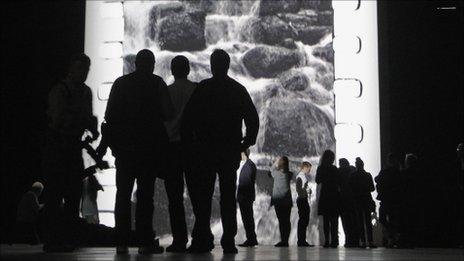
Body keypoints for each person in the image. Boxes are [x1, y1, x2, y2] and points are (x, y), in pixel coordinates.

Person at [181, 49, 259, 254]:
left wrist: (190, 145)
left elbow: (188, 119)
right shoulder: (237, 89)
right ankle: (228, 240)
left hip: (205, 151)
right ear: (228, 65)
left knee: (203, 196)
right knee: (227, 197)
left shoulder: (203, 88)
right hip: (229, 150)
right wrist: (246, 141)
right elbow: (252, 118)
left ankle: (203, 238)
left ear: (211, 65)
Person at [105, 49, 173, 255]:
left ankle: (121, 242)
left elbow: (109, 115)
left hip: (125, 151)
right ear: (152, 64)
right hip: (149, 151)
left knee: (122, 195)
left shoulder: (120, 83)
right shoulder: (157, 83)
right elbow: (169, 113)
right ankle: (144, 242)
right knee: (145, 197)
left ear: (135, 64)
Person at [42, 53, 99, 252]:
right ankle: (52, 239)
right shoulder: (61, 90)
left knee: (73, 195)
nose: (83, 73)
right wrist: (84, 123)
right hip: (59, 146)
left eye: (86, 69)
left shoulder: (85, 92)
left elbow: (86, 118)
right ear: (71, 69)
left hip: (72, 146)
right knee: (56, 194)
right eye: (80, 69)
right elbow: (58, 120)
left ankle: (66, 237)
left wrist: (91, 127)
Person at [163, 55, 196, 253]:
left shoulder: (166, 92)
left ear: (172, 71)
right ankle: (201, 237)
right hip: (192, 147)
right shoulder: (196, 90)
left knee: (174, 197)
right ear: (189, 70)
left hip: (171, 149)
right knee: (198, 194)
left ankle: (179, 239)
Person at [375, 153, 401, 248]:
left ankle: (391, 237)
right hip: (393, 199)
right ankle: (393, 236)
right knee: (391, 219)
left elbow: (377, 179)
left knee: (383, 218)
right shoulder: (397, 171)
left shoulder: (386, 171)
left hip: (386, 198)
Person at [316, 150, 340, 248]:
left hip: (325, 195)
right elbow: (339, 181)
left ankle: (327, 240)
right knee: (334, 220)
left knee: (326, 220)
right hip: (334, 195)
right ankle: (334, 240)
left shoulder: (321, 168)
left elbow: (317, 181)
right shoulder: (334, 169)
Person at [351, 157, 377, 248]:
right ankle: (370, 241)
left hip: (357, 201)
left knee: (360, 222)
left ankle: (362, 241)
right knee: (368, 222)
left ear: (356, 165)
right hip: (366, 199)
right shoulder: (368, 175)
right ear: (363, 165)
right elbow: (372, 188)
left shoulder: (353, 175)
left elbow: (351, 188)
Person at [269, 156, 293, 247]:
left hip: (279, 202)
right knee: (287, 221)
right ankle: (286, 240)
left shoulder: (276, 173)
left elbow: (270, 171)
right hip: (287, 202)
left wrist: (275, 163)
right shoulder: (289, 174)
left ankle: (283, 241)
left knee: (281, 221)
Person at [236, 149, 258, 247]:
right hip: (246, 196)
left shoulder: (248, 166)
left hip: (245, 197)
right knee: (248, 218)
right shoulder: (249, 165)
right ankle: (251, 239)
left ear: (243, 153)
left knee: (247, 218)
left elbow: (246, 182)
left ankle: (251, 239)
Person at [397, 153, 419, 248]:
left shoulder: (404, 172)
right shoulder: (417, 173)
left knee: (405, 221)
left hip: (405, 200)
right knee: (411, 221)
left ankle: (404, 241)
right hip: (414, 200)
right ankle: (411, 241)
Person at [338, 158, 358, 248]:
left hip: (342, 200)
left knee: (346, 222)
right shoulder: (352, 171)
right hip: (352, 199)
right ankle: (355, 240)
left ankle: (348, 240)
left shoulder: (339, 172)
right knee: (353, 221)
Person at [296, 162, 313, 247]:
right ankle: (301, 241)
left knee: (303, 221)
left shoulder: (302, 176)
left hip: (302, 199)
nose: (310, 170)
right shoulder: (300, 176)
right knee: (303, 221)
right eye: (309, 168)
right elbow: (298, 189)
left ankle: (302, 240)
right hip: (302, 200)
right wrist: (305, 193)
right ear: (305, 167)